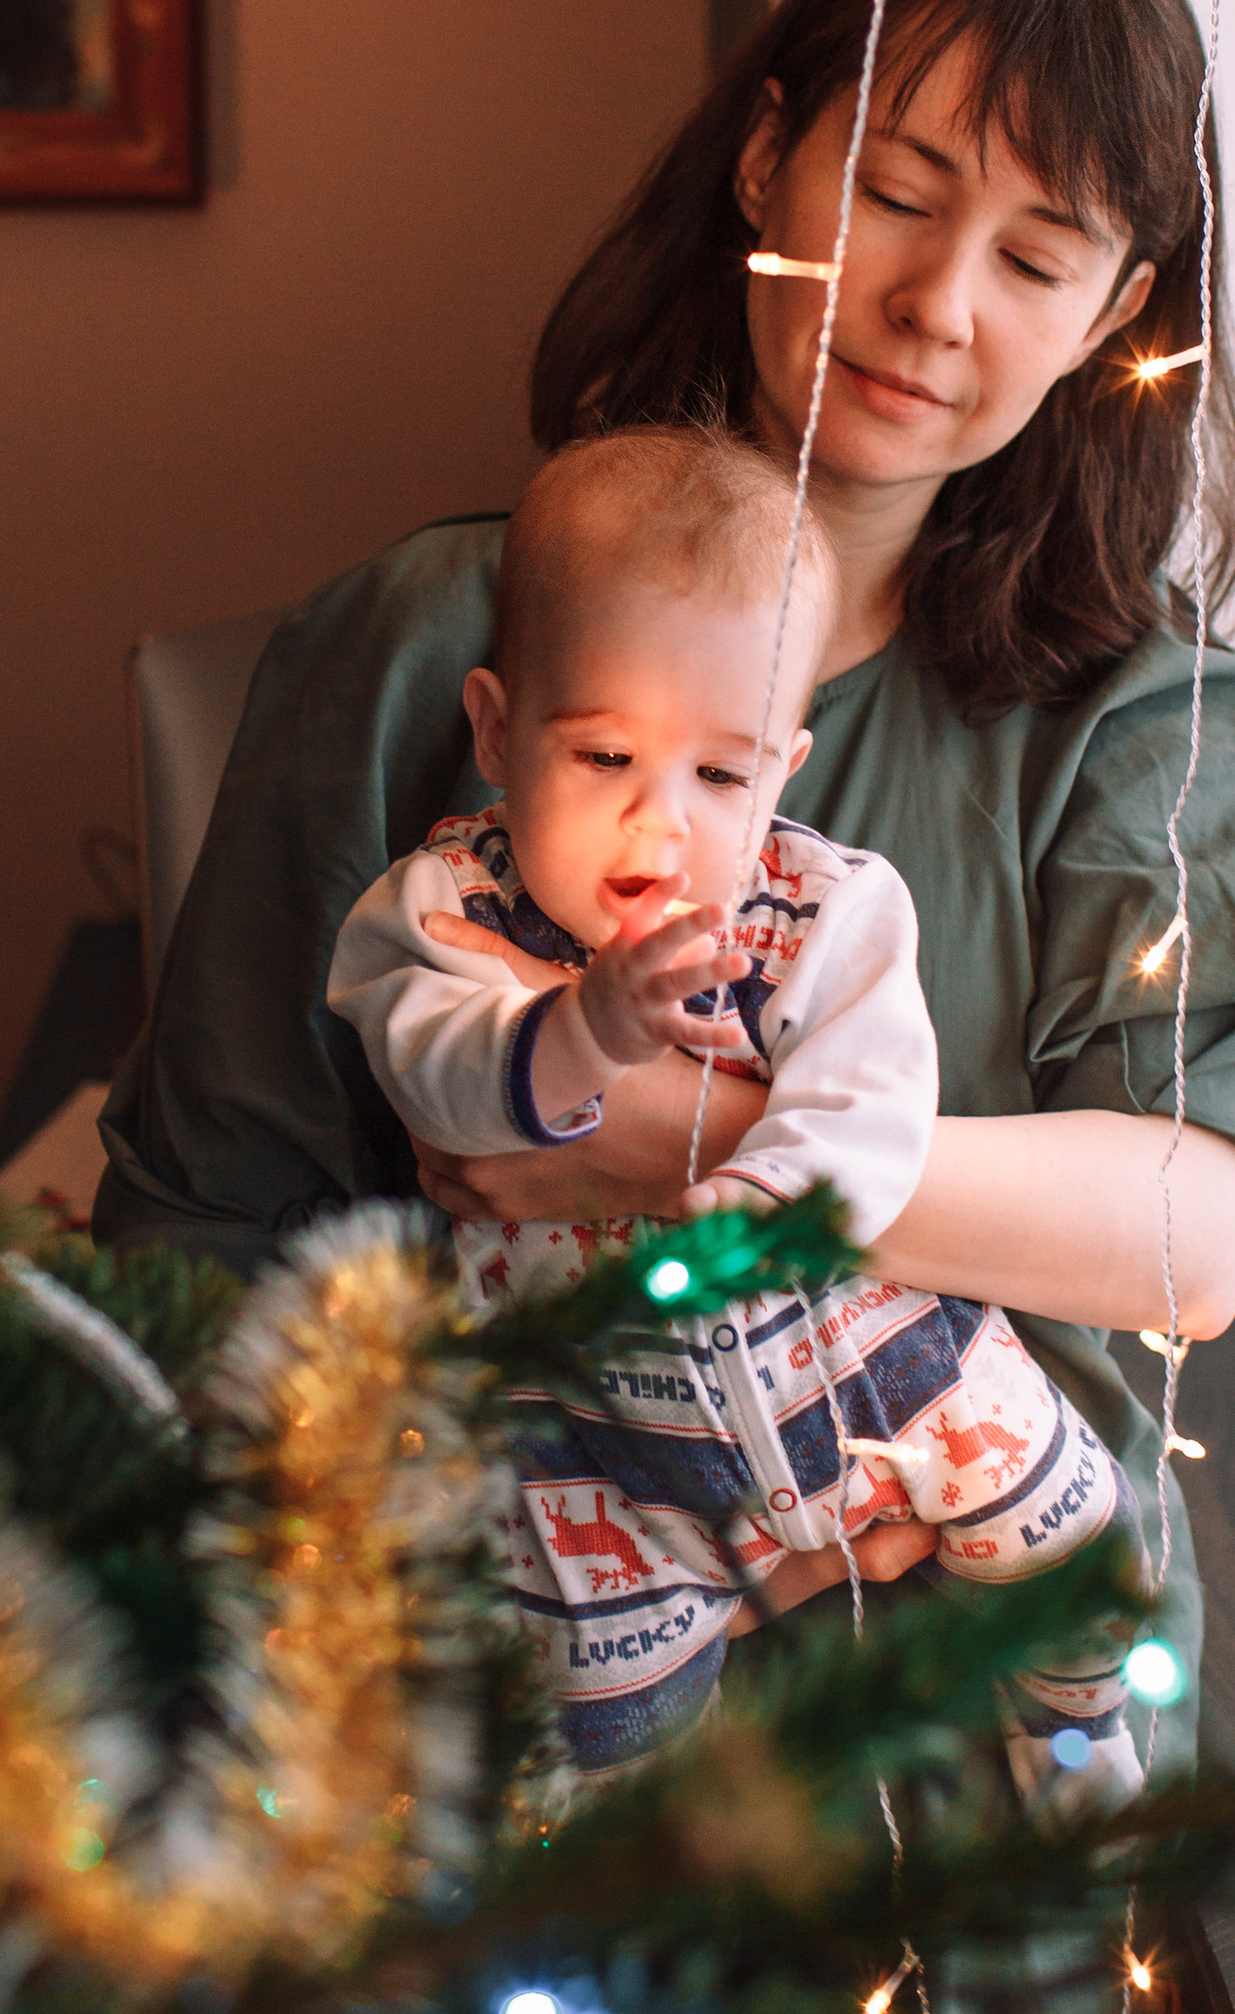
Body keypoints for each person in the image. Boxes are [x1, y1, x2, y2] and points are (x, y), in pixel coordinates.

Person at [97, 0, 1235, 1774]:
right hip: (513, 1641)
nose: (939, 303)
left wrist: (666, 1139)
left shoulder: (1147, 717)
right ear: (770, 162)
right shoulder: (424, 644)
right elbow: (198, 1230)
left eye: (1040, 257)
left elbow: (1186, 1235)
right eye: (898, 188)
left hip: (970, 1659)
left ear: (1117, 316)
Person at [327, 423, 1146, 1798]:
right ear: (495, 729)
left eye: (721, 776)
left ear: (785, 765)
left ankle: (1072, 1733)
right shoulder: (438, 911)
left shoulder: (830, 910)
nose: (663, 830)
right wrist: (579, 1036)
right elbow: (432, 1075)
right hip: (594, 1433)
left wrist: (747, 1211)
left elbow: (872, 1105)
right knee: (587, 1718)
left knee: (1077, 1543)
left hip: (880, 1368)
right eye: (603, 761)